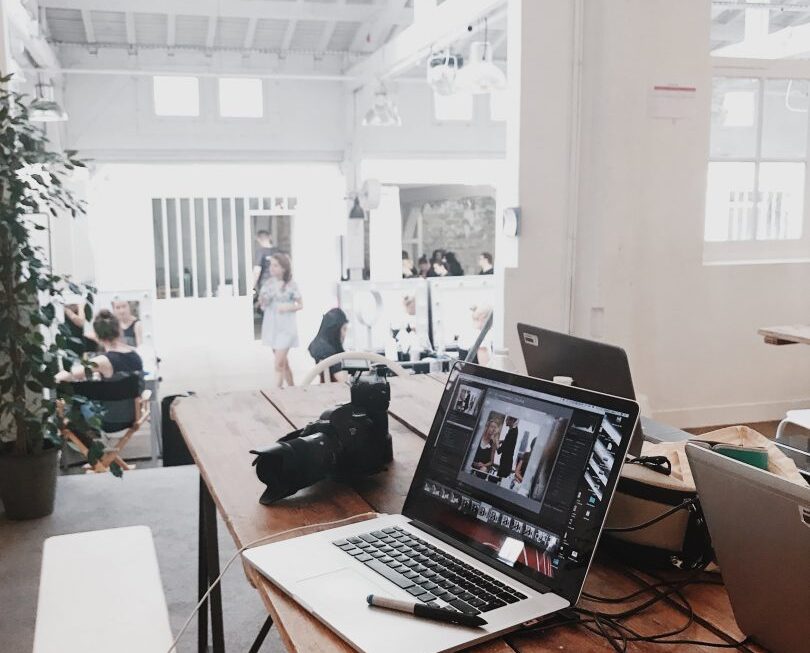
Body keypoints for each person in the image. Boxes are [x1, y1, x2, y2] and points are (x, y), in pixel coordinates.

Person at [56, 310, 143, 448]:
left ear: (97, 335)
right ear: (119, 330)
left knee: (73, 404)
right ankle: (98, 455)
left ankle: (91, 453)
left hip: (111, 421)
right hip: (131, 416)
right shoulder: (134, 354)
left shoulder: (103, 360)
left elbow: (71, 374)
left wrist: (56, 376)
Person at [259, 253, 303, 388]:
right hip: (272, 326)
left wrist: (287, 307)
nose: (271, 268)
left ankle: (276, 393)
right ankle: (293, 388)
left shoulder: (291, 285)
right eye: (271, 265)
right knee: (283, 363)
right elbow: (262, 304)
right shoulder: (268, 284)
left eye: (275, 265)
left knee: (278, 364)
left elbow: (300, 304)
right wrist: (263, 300)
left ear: (284, 268)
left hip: (286, 328)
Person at [308, 308, 349, 383]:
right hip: (337, 391)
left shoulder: (319, 344)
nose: (345, 334)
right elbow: (344, 380)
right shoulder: (326, 351)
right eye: (344, 329)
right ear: (335, 330)